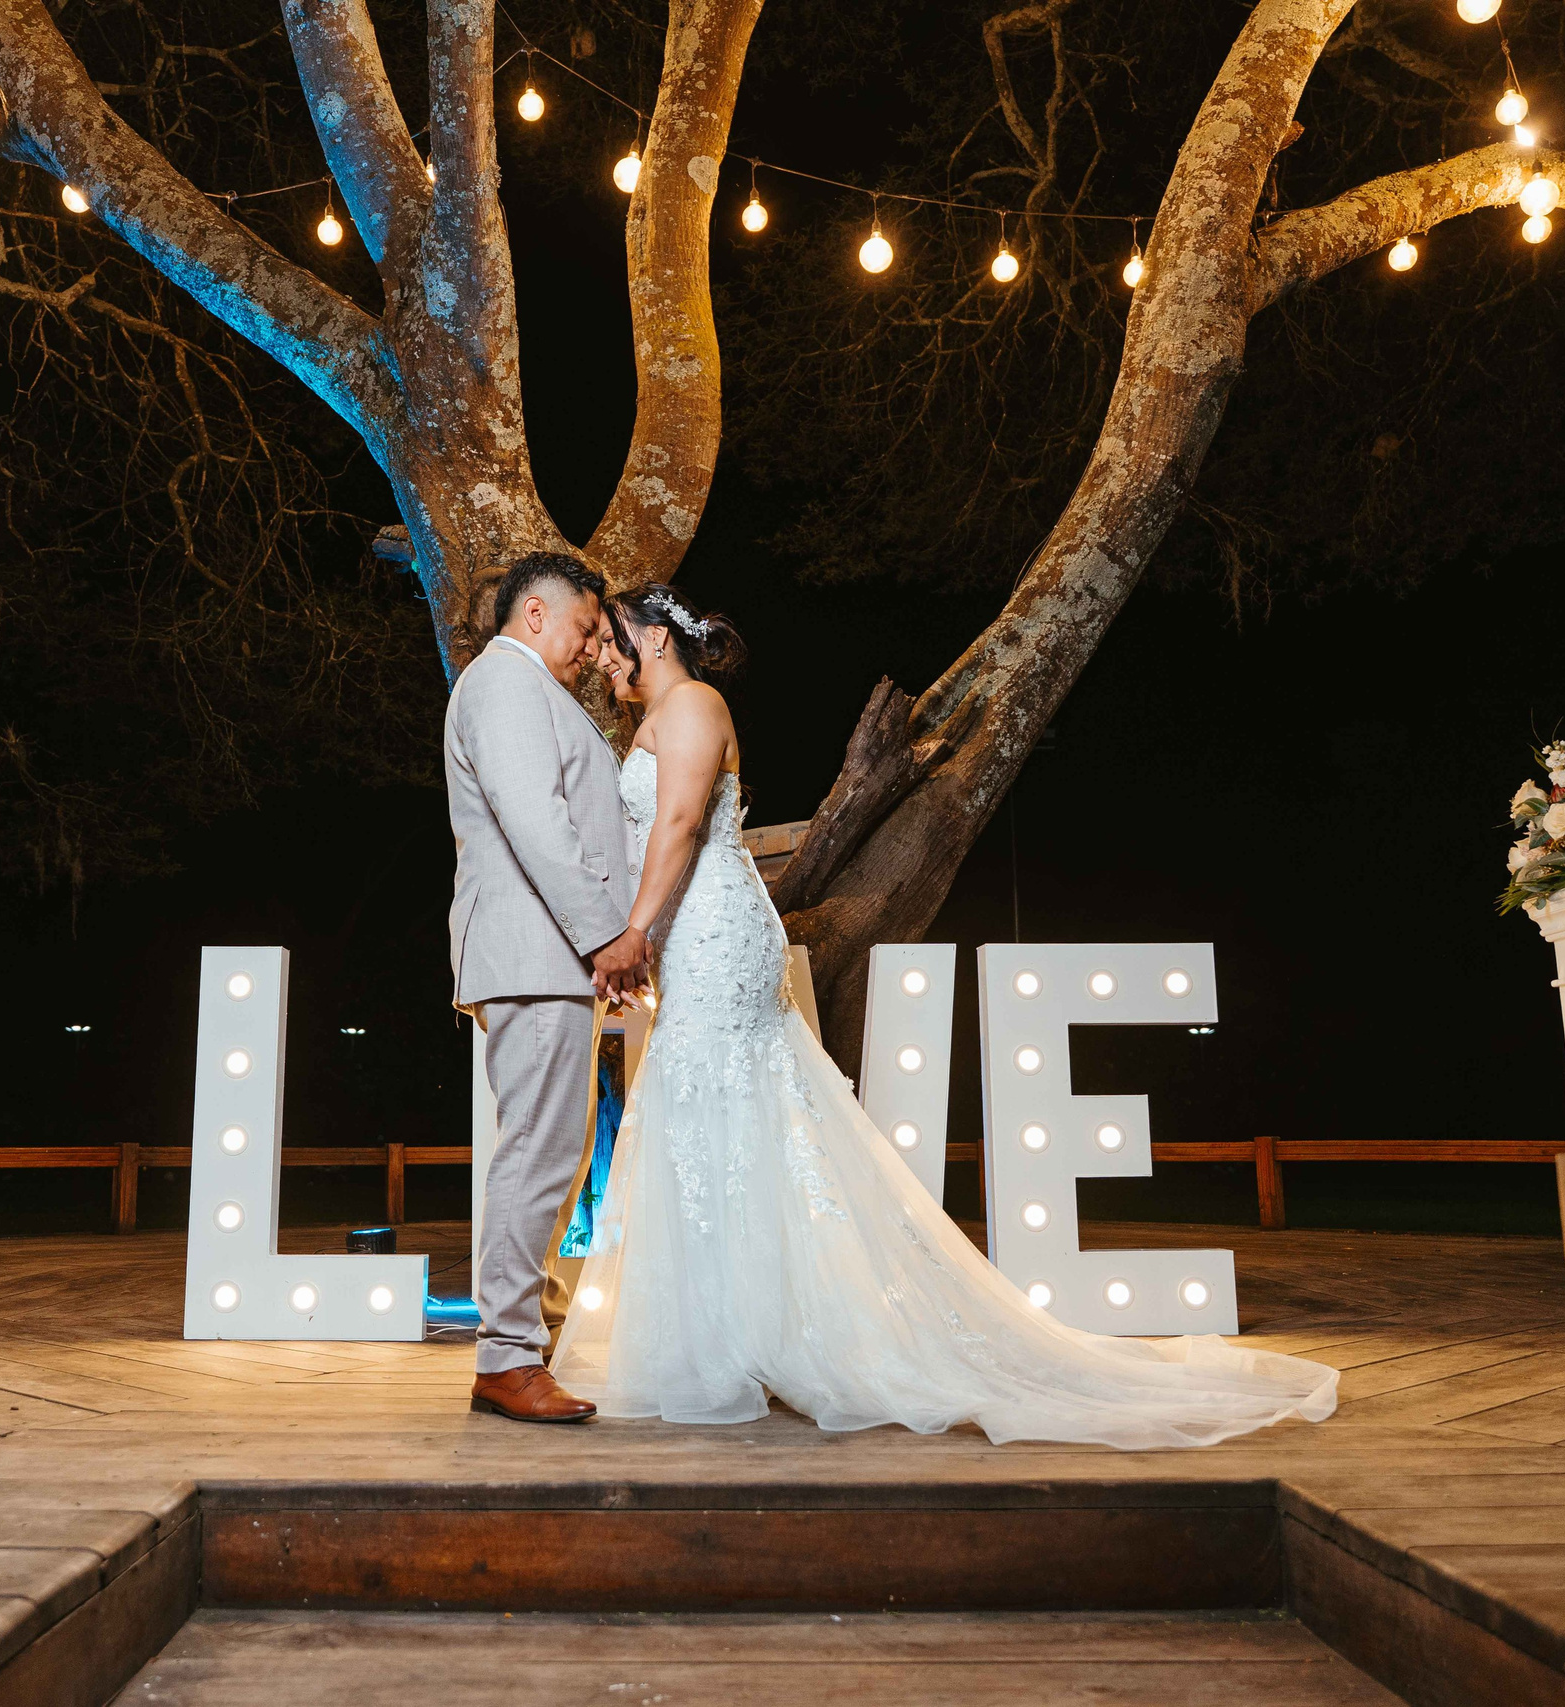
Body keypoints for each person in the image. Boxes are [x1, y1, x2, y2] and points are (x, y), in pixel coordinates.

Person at [548, 583, 1340, 1447]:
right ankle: (734, 1335)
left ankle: (764, 1339)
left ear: (657, 636)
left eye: (612, 639)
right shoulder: (658, 715)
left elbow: (678, 821)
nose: (603, 655)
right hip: (692, 932)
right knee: (719, 1123)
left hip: (718, 933)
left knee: (726, 1110)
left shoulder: (695, 703)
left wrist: (633, 933)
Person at [442, 551, 646, 1424]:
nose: (590, 647)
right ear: (534, 613)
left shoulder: (530, 689)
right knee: (538, 1149)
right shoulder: (505, 684)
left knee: (551, 1149)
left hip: (547, 954)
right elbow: (538, 823)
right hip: (535, 951)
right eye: (584, 628)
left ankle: (521, 1340)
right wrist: (605, 933)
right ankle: (506, 1357)